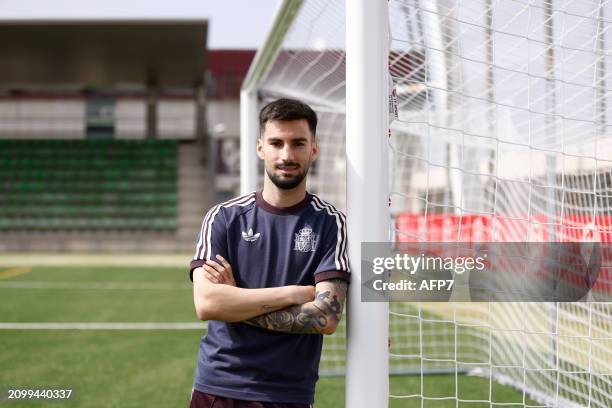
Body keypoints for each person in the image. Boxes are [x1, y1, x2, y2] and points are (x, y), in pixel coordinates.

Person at [188, 98, 350, 408]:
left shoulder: (331, 223)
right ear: (260, 148)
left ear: (313, 149)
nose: (286, 155)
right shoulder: (223, 217)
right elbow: (208, 303)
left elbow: (325, 317)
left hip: (288, 394)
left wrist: (236, 302)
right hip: (219, 387)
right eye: (276, 143)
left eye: (298, 143)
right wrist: (293, 293)